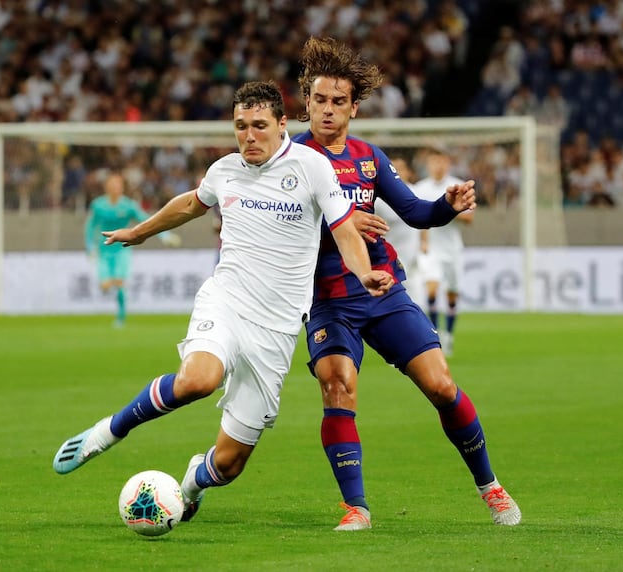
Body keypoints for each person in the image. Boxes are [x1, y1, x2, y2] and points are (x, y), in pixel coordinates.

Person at [52, 81, 395, 524]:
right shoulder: (226, 170)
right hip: (226, 302)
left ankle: (193, 482)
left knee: (228, 465)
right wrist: (139, 232)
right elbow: (192, 204)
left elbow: (345, 229)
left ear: (282, 125)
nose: (248, 136)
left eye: (258, 126)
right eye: (240, 126)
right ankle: (108, 431)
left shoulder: (312, 168)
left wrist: (363, 271)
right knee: (198, 379)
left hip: (275, 331)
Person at [293, 36, 520, 530]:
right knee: (338, 385)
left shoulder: (368, 157)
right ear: (305, 102)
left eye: (338, 102)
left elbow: (415, 212)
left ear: (354, 108)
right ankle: (357, 507)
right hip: (328, 300)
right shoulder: (287, 159)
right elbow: (283, 226)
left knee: (441, 385)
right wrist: (345, 219)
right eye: (318, 100)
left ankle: (491, 487)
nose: (327, 110)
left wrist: (447, 205)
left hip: (382, 290)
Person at [84, 172, 180, 327]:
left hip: (122, 248)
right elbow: (89, 227)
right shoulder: (98, 205)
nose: (116, 188)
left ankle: (120, 317)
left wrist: (165, 236)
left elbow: (147, 221)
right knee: (106, 286)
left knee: (120, 283)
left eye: (119, 185)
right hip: (104, 249)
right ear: (107, 187)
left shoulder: (128, 205)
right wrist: (89, 247)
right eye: (113, 185)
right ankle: (115, 296)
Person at [414, 144, 474, 357]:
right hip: (431, 249)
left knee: (452, 293)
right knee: (431, 289)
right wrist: (422, 240)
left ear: (447, 164)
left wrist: (448, 210)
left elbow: (469, 218)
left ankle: (448, 333)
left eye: (441, 161)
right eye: (433, 162)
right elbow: (417, 218)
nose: (437, 166)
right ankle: (435, 334)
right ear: (428, 165)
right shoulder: (420, 188)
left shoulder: (457, 186)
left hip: (453, 249)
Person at [372, 155, 425, 306]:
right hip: (390, 260)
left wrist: (424, 242)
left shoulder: (417, 192)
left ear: (408, 171)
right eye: (393, 169)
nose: (397, 172)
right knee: (389, 304)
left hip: (413, 258)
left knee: (418, 304)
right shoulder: (379, 200)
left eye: (400, 168)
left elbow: (424, 221)